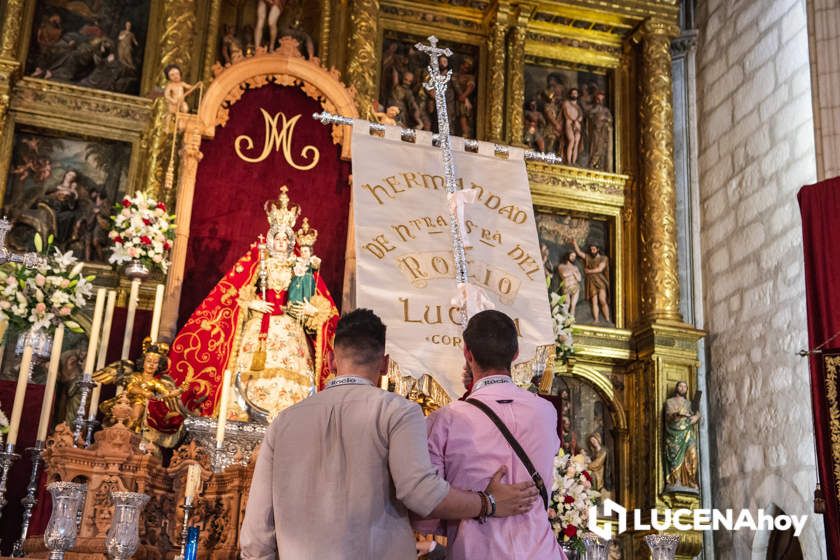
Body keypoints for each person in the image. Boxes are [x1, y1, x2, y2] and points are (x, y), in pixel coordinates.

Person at [240, 308, 539, 559]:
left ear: (330, 361)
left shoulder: (283, 422)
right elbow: (421, 494)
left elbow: (255, 534)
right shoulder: (397, 412)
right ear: (384, 364)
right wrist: (489, 503)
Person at [417, 310, 565, 559]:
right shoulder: (546, 412)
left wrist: (478, 506)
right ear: (516, 354)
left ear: (467, 353)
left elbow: (427, 514)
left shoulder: (445, 420)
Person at [664, 380, 700, 489]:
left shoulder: (689, 404)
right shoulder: (669, 402)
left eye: (685, 386)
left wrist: (696, 417)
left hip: (688, 433)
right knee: (675, 457)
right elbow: (668, 417)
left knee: (693, 455)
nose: (683, 388)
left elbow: (697, 413)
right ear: (676, 388)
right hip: (674, 435)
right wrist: (678, 414)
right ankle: (676, 480)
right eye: (680, 386)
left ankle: (691, 479)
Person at [573, 239, 611, 323]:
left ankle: (607, 319)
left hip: (600, 281)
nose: (592, 251)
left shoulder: (603, 258)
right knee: (594, 301)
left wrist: (589, 271)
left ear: (598, 249)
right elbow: (579, 253)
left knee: (602, 300)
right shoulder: (588, 257)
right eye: (591, 249)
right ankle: (596, 319)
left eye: (594, 249)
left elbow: (600, 269)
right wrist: (574, 243)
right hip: (591, 282)